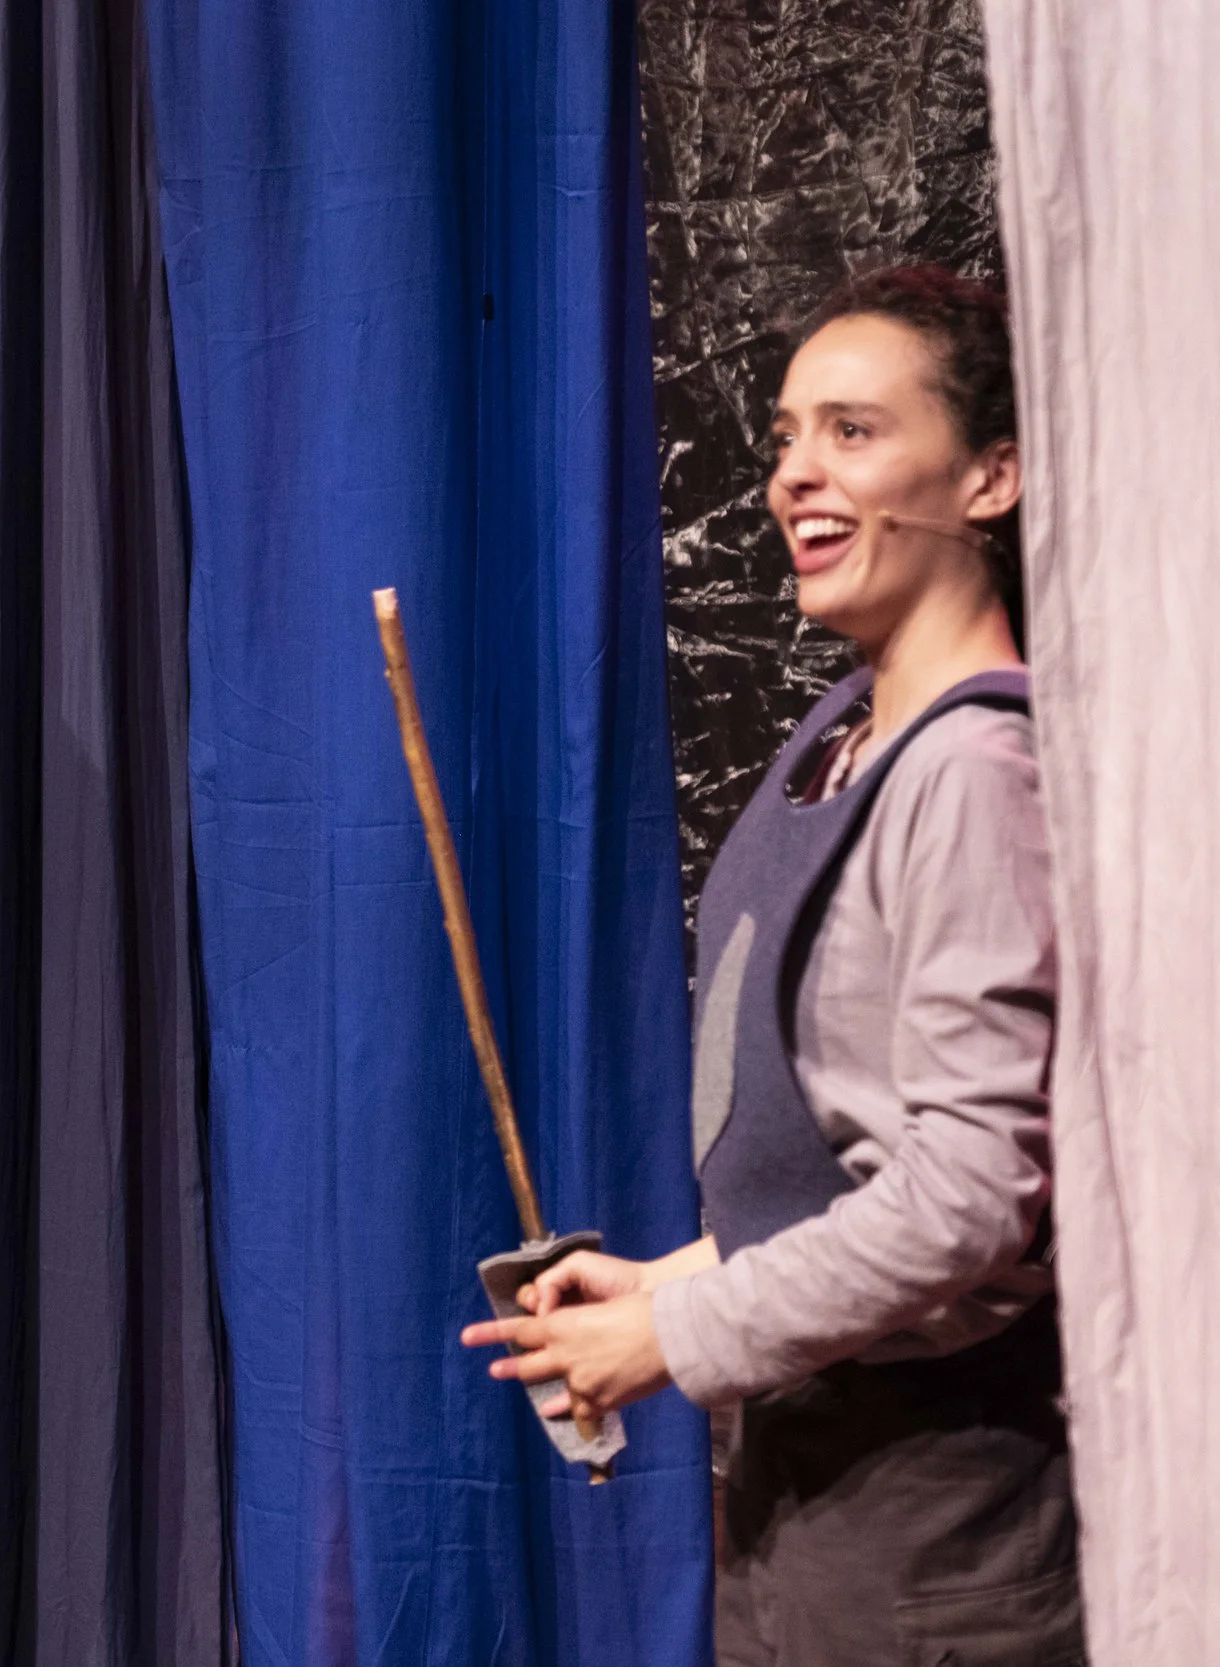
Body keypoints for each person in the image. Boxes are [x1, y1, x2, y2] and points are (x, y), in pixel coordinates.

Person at [461, 267, 1084, 1665]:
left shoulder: (982, 769)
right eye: (788, 438)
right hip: (804, 1480)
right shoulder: (841, 730)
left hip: (938, 1520)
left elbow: (969, 1198)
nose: (796, 474)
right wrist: (664, 1280)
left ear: (992, 476)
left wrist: (682, 1336)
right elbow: (829, 1167)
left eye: (853, 433)